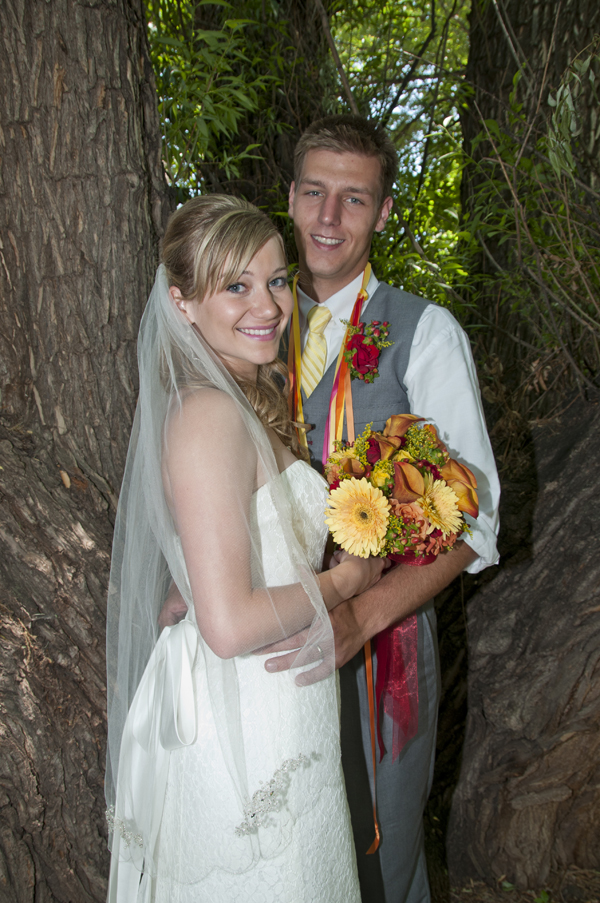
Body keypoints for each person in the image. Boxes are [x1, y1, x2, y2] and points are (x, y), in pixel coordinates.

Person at [105, 195, 386, 902]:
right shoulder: (206, 415)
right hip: (242, 721)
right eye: (236, 285)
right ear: (182, 303)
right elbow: (227, 627)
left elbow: (232, 562)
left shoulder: (242, 396)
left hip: (282, 699)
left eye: (276, 280)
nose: (267, 304)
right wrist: (345, 582)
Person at [256, 115, 501, 903]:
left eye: (354, 199)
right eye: (316, 193)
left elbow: (475, 520)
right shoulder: (250, 321)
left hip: (380, 648)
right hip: (262, 632)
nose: (330, 219)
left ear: (384, 212)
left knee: (377, 850)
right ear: (290, 199)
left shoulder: (426, 333)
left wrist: (362, 619)